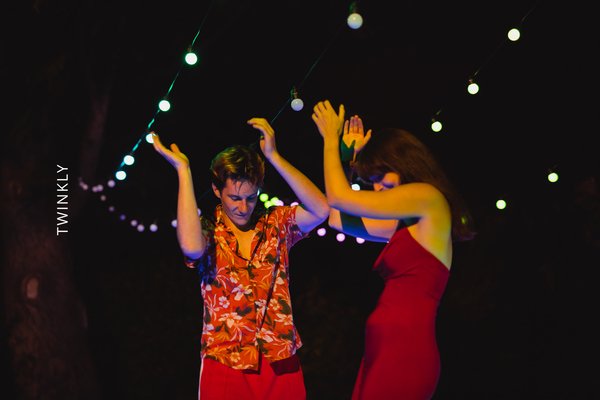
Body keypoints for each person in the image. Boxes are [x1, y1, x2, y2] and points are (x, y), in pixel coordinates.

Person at [151, 117, 329, 400]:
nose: (243, 207)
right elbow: (191, 248)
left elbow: (321, 210)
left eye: (251, 197)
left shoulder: (276, 222)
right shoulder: (208, 230)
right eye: (234, 198)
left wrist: (274, 156)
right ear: (216, 191)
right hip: (226, 360)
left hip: (280, 359)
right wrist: (183, 171)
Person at [311, 100, 475, 400]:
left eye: (379, 178)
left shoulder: (428, 198)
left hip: (405, 351)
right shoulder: (405, 223)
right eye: (371, 181)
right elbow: (337, 218)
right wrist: (347, 158)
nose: (376, 188)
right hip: (382, 348)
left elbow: (339, 198)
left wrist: (332, 141)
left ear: (403, 164)